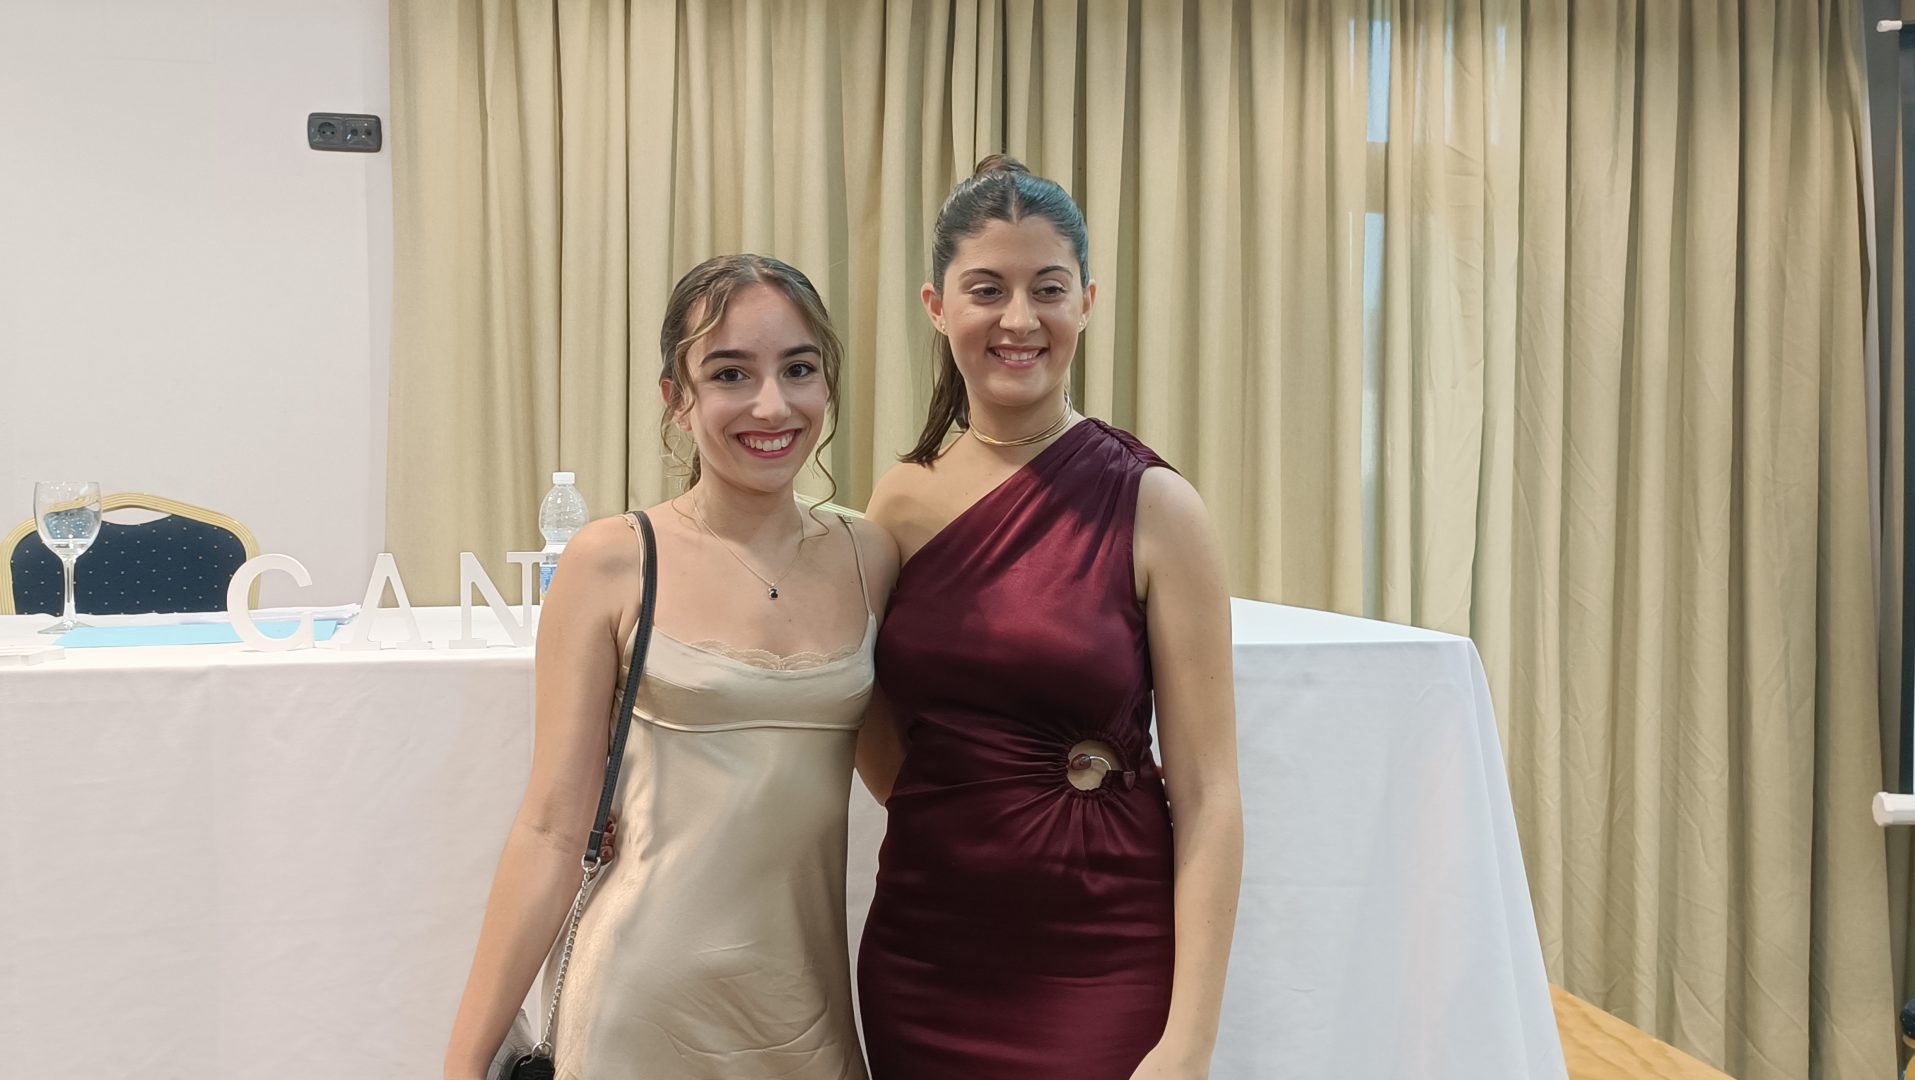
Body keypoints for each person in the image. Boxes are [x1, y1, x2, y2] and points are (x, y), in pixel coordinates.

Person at [443, 254, 896, 1080]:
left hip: (805, 1015)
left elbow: (908, 779)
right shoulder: (614, 559)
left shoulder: (871, 556)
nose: (771, 404)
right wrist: (464, 1063)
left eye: (798, 369)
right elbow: (550, 830)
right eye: (730, 373)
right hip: (637, 1009)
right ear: (676, 399)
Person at [854, 156, 1244, 1079]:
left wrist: (1188, 1043)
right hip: (926, 947)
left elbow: (1210, 793)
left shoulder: (1155, 504)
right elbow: (871, 725)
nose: (1019, 320)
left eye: (1048, 289)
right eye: (987, 289)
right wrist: (982, 811)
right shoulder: (899, 503)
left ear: (1087, 302)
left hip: (1102, 947)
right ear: (936, 305)